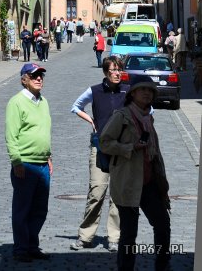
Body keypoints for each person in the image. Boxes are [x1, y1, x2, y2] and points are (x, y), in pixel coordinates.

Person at [100, 75, 171, 271]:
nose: (147, 93)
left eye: (150, 90)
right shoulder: (122, 116)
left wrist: (162, 182)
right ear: (133, 93)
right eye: (143, 90)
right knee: (129, 234)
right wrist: (129, 147)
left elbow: (155, 151)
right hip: (128, 182)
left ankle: (163, 265)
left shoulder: (149, 117)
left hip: (149, 183)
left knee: (163, 225)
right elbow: (105, 143)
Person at [70, 55, 128, 252]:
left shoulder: (128, 91)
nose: (117, 73)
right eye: (113, 70)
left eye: (119, 69)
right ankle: (85, 236)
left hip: (121, 149)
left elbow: (149, 110)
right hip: (100, 147)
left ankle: (114, 237)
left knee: (118, 195)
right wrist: (92, 121)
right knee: (97, 191)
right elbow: (76, 107)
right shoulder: (94, 91)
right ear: (106, 72)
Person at [5, 63, 52, 262]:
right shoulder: (16, 102)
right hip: (25, 164)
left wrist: (49, 156)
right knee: (23, 209)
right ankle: (21, 249)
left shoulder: (43, 101)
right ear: (24, 79)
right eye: (34, 76)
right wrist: (17, 162)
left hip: (43, 164)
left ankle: (32, 245)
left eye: (41, 75)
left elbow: (43, 132)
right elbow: (11, 135)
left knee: (40, 209)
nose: (39, 78)